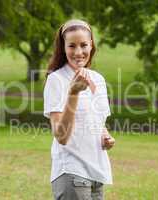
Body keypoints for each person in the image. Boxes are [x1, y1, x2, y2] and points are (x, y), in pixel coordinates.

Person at [43, 19, 115, 200]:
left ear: (91, 45)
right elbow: (61, 136)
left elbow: (97, 122)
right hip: (71, 171)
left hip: (96, 174)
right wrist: (73, 93)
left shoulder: (98, 79)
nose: (78, 52)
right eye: (71, 46)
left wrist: (105, 137)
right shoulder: (57, 80)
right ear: (63, 48)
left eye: (83, 45)